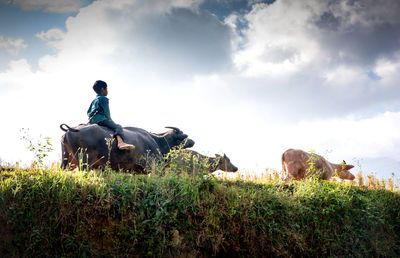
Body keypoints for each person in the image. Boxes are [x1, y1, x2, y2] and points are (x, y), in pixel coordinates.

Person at [87, 80, 135, 150]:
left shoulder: (94, 100)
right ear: (102, 89)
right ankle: (121, 143)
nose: (107, 91)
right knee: (118, 127)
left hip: (91, 121)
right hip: (101, 120)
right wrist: (111, 122)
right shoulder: (103, 99)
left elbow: (88, 112)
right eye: (106, 89)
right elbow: (107, 114)